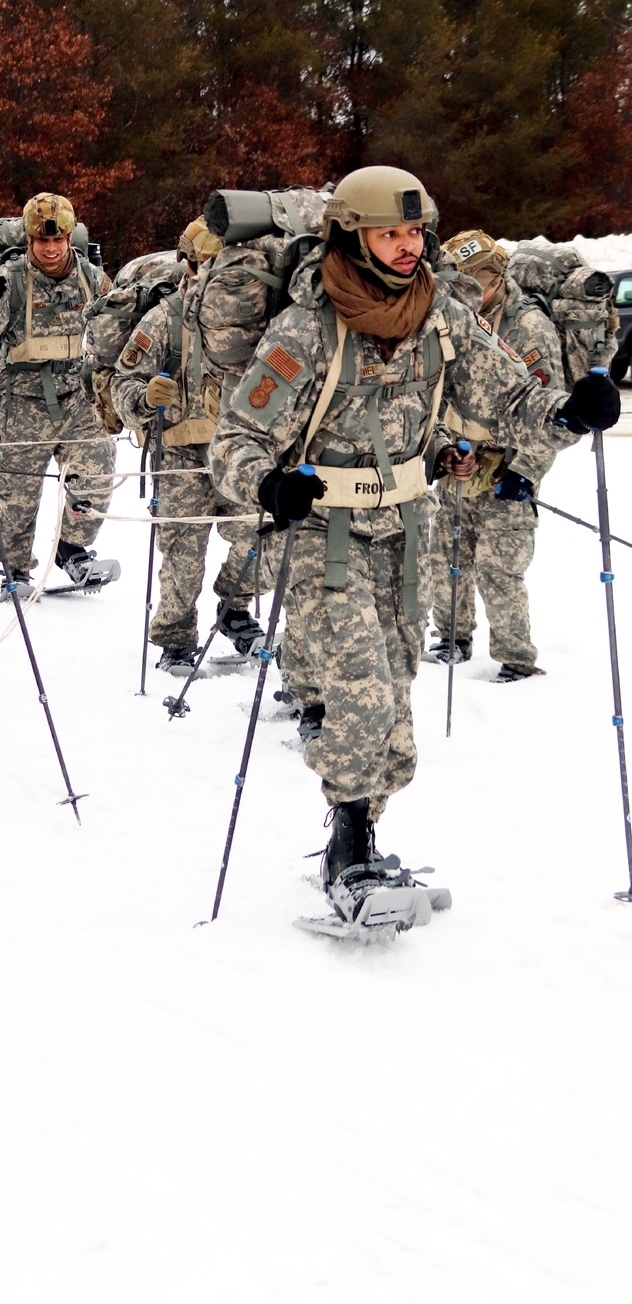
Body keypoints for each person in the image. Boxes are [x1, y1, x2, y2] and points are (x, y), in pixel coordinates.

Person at [209, 165, 620, 927]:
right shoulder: (307, 327)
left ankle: (363, 824)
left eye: (413, 232)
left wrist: (569, 411)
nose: (407, 247)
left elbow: (509, 397)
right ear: (352, 236)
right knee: (361, 682)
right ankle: (346, 844)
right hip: (328, 530)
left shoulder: (442, 314)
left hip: (408, 527)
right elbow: (235, 439)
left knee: (397, 691)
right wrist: (268, 485)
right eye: (390, 233)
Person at [110, 217, 262, 670]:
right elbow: (123, 381)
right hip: (179, 452)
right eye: (206, 265)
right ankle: (176, 636)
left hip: (239, 451)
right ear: (189, 267)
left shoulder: (254, 317)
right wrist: (143, 396)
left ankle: (234, 606)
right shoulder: (163, 319)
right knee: (182, 553)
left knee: (260, 538)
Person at [0, 192, 118, 597]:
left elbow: (115, 328)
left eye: (58, 240)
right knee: (17, 493)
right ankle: (14, 569)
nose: (50, 249)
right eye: (42, 241)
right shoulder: (11, 279)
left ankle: (72, 547)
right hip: (23, 399)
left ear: (68, 238)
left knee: (97, 472)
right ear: (30, 240)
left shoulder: (91, 278)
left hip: (76, 396)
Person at [427, 229, 565, 680]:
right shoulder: (453, 321)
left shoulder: (528, 327)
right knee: (448, 557)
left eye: (480, 283)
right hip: (459, 461)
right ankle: (451, 637)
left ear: (499, 277)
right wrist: (444, 446)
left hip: (509, 464)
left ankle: (516, 658)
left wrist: (524, 472)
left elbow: (551, 414)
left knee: (499, 566)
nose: (471, 294)